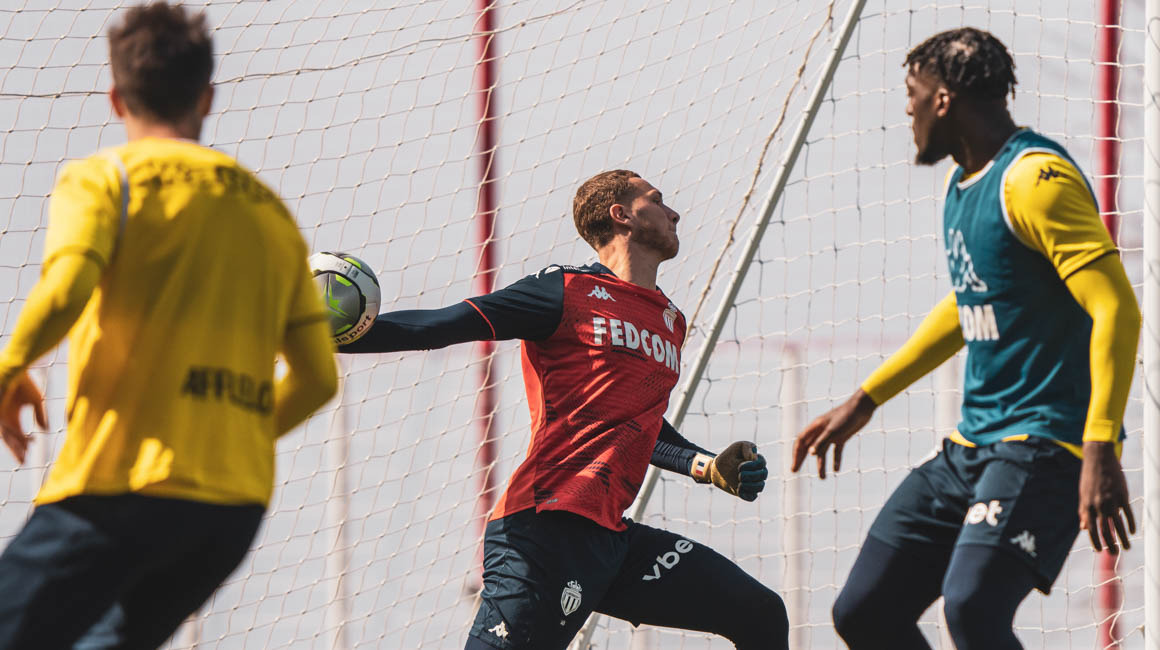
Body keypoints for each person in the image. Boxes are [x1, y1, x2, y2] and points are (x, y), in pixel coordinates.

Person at [791, 27, 1140, 650]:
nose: (907, 110)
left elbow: (1115, 306)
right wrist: (867, 397)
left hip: (1047, 443)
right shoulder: (963, 184)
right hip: (972, 446)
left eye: (912, 93)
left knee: (973, 608)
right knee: (864, 611)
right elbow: (968, 304)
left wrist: (1099, 445)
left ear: (943, 99)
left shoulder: (1035, 179)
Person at [0, 3, 338, 648]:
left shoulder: (107, 179)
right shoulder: (269, 213)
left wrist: (9, 366)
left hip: (121, 489)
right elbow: (318, 377)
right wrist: (230, 433)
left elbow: (67, 288)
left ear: (115, 97)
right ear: (207, 97)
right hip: (229, 512)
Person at [341, 170, 788, 649]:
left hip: (611, 539)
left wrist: (707, 466)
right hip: (544, 531)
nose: (674, 213)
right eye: (657, 200)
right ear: (622, 215)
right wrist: (326, 335)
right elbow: (444, 324)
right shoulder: (563, 290)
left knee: (760, 613)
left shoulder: (670, 321)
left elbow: (637, 422)